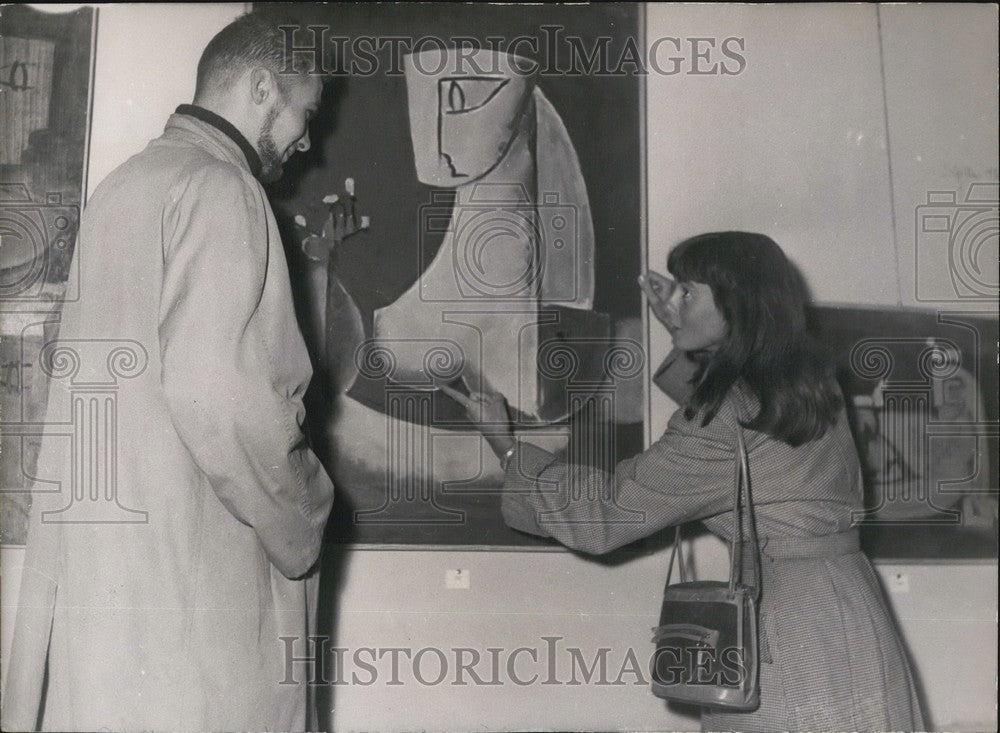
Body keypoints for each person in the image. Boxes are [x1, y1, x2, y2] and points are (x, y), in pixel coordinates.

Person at [444, 231, 924, 732]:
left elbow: (606, 515)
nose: (672, 301)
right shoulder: (808, 380)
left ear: (735, 309)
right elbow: (741, 433)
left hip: (790, 624)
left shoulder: (725, 418)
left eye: (686, 292)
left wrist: (508, 446)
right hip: (848, 606)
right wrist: (679, 322)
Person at [2, 13, 336, 732]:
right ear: (261, 87)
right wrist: (307, 516)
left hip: (112, 610)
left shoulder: (122, 188)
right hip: (194, 616)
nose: (306, 140)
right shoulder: (224, 189)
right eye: (304, 113)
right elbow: (224, 400)